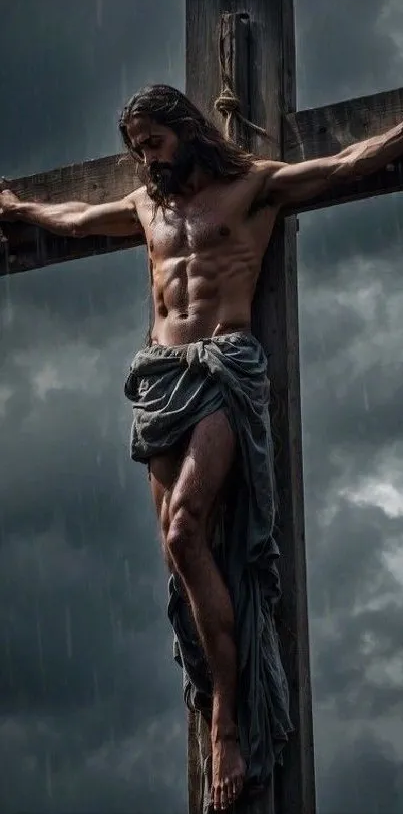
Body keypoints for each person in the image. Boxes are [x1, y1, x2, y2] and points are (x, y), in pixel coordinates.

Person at [1, 84, 402, 811]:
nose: (145, 159)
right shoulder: (144, 206)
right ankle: (219, 687)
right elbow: (76, 219)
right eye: (136, 149)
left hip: (222, 370)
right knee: (180, 554)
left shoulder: (253, 186)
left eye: (152, 142)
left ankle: (225, 720)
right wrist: (21, 209)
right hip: (160, 381)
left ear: (185, 128)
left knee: (187, 528)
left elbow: (346, 163)